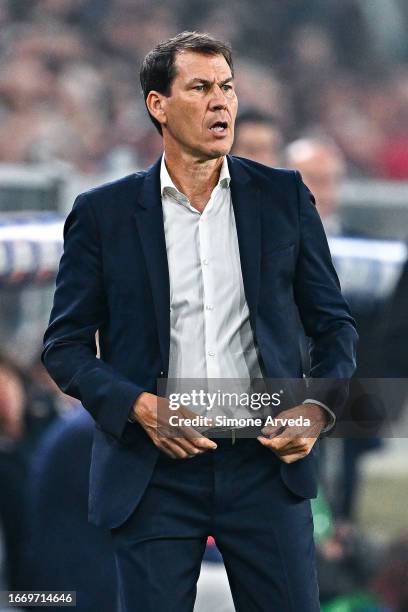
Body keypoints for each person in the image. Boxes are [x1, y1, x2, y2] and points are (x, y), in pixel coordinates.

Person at [42, 31, 358, 611]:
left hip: (266, 462)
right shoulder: (102, 214)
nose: (221, 103)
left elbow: (335, 326)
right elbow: (63, 347)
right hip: (154, 469)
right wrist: (140, 406)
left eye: (228, 88)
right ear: (158, 105)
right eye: (200, 88)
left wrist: (317, 409)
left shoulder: (284, 197)